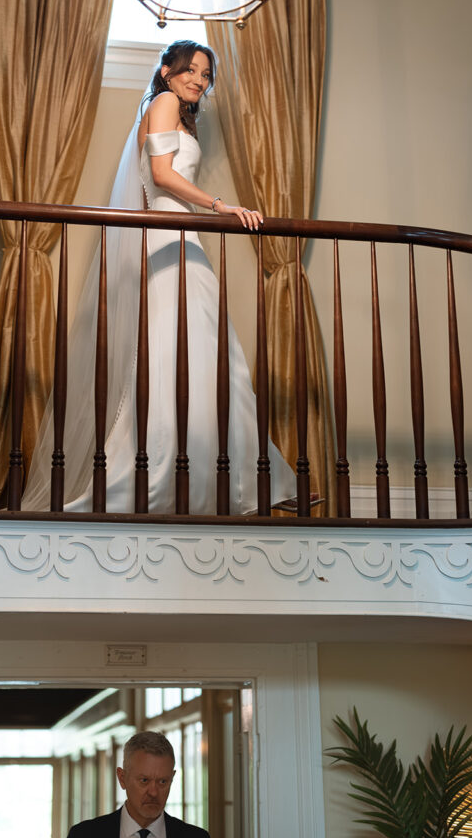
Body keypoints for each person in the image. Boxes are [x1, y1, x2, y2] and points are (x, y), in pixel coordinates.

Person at [22, 40, 296, 514]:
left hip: (178, 238)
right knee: (187, 356)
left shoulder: (168, 109)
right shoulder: (165, 102)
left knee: (203, 356)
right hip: (171, 239)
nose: (199, 80)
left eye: (206, 75)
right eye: (191, 70)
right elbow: (163, 175)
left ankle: (231, 478)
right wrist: (221, 205)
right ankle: (188, 479)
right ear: (167, 71)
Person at [60, 731, 211, 838]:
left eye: (162, 782)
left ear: (172, 779)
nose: (153, 792)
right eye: (144, 780)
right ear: (122, 778)